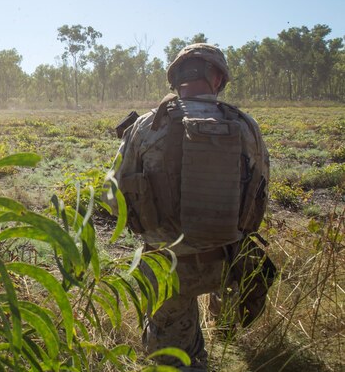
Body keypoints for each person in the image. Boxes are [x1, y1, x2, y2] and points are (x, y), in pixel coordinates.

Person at [107, 43, 271, 370]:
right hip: (227, 261)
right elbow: (260, 192)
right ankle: (223, 332)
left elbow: (114, 197)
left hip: (168, 265)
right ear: (218, 77)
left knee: (173, 361)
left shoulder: (145, 126)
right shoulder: (246, 125)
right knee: (226, 328)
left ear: (175, 78)